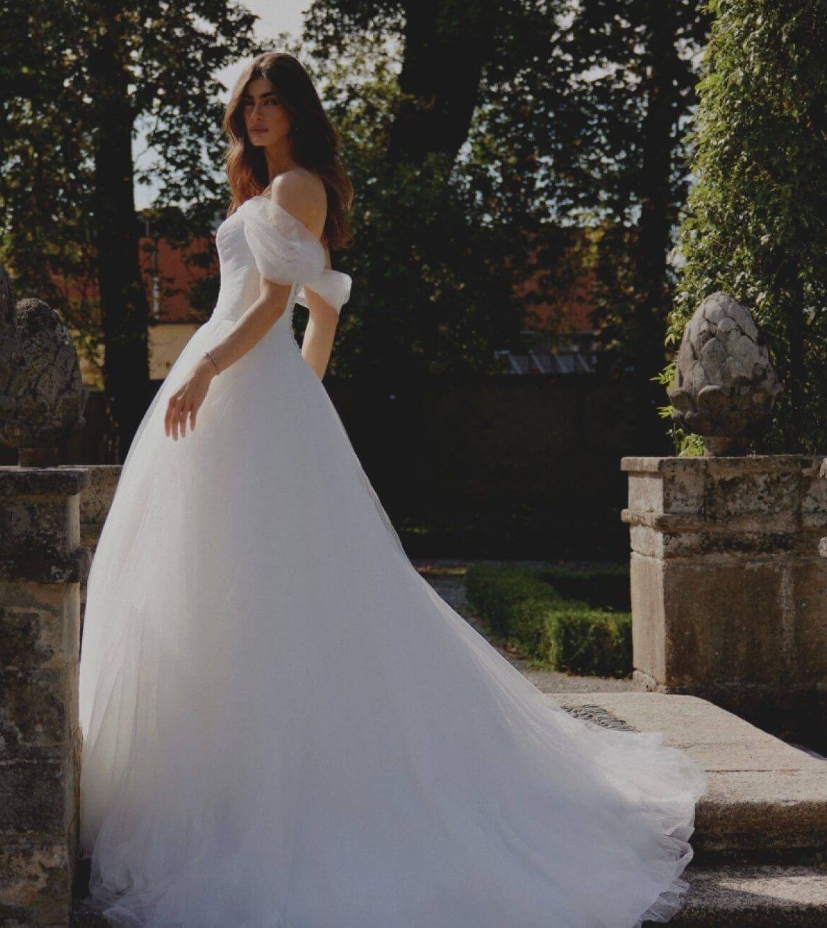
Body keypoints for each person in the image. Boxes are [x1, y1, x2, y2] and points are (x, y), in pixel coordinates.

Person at [76, 52, 707, 927]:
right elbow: (323, 317)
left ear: (298, 111)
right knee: (219, 588)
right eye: (248, 102)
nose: (257, 114)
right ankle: (217, 775)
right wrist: (297, 399)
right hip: (248, 400)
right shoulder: (264, 191)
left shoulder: (298, 185)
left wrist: (210, 372)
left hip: (229, 382)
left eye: (272, 101)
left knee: (265, 591)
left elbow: (276, 301)